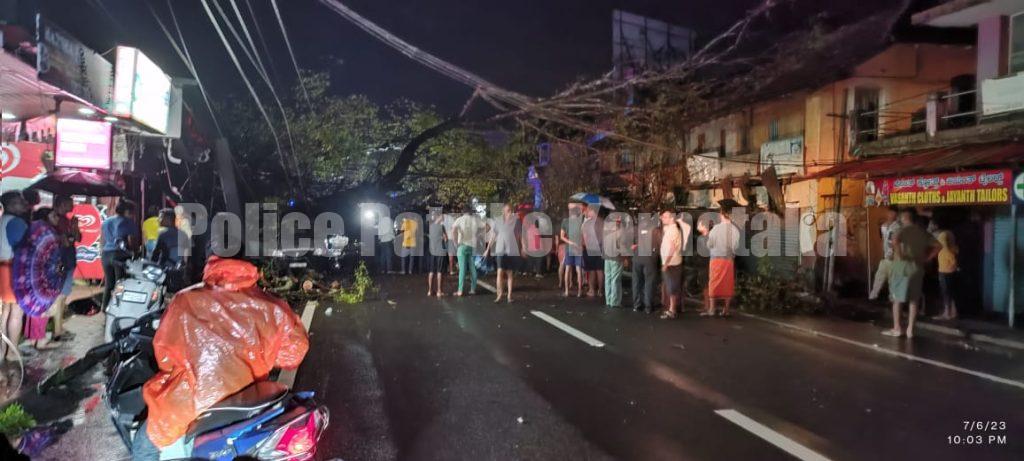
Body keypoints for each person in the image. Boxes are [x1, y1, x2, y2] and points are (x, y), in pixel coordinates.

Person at [134, 257, 308, 458]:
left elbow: (165, 357)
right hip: (247, 402)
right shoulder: (271, 305)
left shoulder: (184, 300)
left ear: (211, 266)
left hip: (192, 402)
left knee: (144, 445)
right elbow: (293, 354)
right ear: (251, 267)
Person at [884, 209, 941, 338]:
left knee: (897, 299)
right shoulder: (922, 232)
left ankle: (897, 328)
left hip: (901, 269)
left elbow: (895, 240)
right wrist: (927, 258)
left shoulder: (902, 230)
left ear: (904, 217)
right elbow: (938, 246)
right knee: (914, 300)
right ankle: (910, 330)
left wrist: (899, 254)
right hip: (917, 268)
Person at [0, 191, 30, 361]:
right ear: (11, 205)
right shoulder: (16, 222)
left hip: (2, 268)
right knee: (17, 311)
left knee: (5, 310)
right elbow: (23, 248)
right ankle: (12, 352)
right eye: (19, 202)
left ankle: (3, 350)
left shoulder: (2, 219)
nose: (23, 205)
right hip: (13, 269)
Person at [700, 200, 741, 317]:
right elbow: (735, 247)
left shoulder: (716, 229)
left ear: (721, 214)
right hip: (729, 260)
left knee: (713, 282)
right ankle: (726, 309)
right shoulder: (735, 230)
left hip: (716, 259)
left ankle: (712, 309)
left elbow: (709, 245)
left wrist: (705, 235)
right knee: (727, 283)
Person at [48, 195, 79, 342]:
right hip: (61, 261)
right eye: (70, 202)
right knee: (59, 296)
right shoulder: (56, 221)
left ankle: (59, 327)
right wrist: (70, 233)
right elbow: (66, 242)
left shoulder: (67, 220)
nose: (73, 204)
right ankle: (57, 331)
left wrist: (74, 227)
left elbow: (77, 238)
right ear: (62, 203)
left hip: (68, 260)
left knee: (63, 296)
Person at [101, 200, 139, 306]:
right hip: (120, 255)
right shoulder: (129, 222)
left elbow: (102, 241)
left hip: (105, 254)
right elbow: (131, 241)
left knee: (109, 283)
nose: (133, 215)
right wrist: (135, 252)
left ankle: (104, 307)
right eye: (132, 212)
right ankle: (117, 306)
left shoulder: (106, 222)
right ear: (127, 211)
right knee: (120, 283)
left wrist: (103, 254)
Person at [485, 204, 523, 303]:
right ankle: (499, 294)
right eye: (507, 210)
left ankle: (509, 296)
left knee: (510, 273)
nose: (509, 212)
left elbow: (519, 235)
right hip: (500, 250)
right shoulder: (498, 221)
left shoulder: (516, 221)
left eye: (510, 210)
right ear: (503, 211)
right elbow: (493, 236)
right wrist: (487, 249)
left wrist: (522, 248)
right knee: (500, 272)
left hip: (511, 250)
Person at [869, 206, 902, 301]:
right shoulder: (883, 226)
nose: (891, 215)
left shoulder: (898, 227)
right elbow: (883, 240)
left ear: (897, 215)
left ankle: (893, 299)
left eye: (894, 213)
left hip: (894, 258)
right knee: (879, 277)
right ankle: (873, 296)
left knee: (893, 279)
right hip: (885, 257)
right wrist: (882, 253)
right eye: (890, 213)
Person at [632, 213, 661, 313]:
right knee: (649, 282)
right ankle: (648, 307)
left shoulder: (636, 229)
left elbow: (631, 244)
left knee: (636, 282)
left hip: (637, 258)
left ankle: (636, 305)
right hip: (650, 259)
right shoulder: (655, 230)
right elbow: (660, 245)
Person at [659, 209, 684, 319]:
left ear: (672, 218)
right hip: (671, 262)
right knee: (671, 286)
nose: (662, 218)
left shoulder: (673, 230)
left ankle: (672, 310)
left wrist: (666, 263)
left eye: (665, 216)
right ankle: (672, 308)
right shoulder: (670, 229)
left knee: (672, 286)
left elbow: (672, 248)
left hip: (671, 263)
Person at [452, 206, 482, 296]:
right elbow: (487, 226)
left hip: (462, 245)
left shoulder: (460, 219)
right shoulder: (475, 220)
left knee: (462, 269)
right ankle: (473, 289)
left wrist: (455, 242)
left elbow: (453, 230)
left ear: (463, 212)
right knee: (473, 268)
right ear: (470, 212)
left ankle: (460, 290)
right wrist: (478, 234)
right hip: (472, 246)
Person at [933, 221, 959, 320]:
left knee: (945, 291)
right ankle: (953, 311)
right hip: (951, 266)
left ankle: (947, 313)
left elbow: (945, 248)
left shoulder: (943, 235)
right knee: (951, 291)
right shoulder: (951, 233)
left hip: (945, 266)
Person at [602, 215, 629, 308]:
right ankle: (615, 302)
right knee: (615, 280)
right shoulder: (621, 232)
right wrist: (625, 258)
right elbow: (622, 247)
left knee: (608, 279)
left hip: (607, 257)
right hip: (616, 258)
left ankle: (608, 300)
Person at [560, 204, 584, 297]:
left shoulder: (565, 221)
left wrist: (570, 242)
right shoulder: (580, 221)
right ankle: (579, 292)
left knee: (568, 269)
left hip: (569, 248)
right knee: (578, 270)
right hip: (578, 248)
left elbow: (562, 236)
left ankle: (566, 291)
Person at [581, 206, 604, 298]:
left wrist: (584, 245)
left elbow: (585, 239)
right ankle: (600, 291)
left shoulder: (587, 223)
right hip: (601, 248)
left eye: (587, 211)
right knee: (600, 270)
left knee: (591, 271)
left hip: (590, 249)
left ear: (592, 211)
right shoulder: (603, 222)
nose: (586, 213)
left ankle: (592, 290)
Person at [426, 209, 448, 297]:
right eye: (442, 217)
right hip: (440, 252)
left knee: (431, 271)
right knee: (439, 272)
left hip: (432, 251)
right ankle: (439, 291)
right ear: (438, 217)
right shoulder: (441, 227)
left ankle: (430, 291)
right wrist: (443, 239)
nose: (443, 219)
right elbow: (446, 239)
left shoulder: (430, 226)